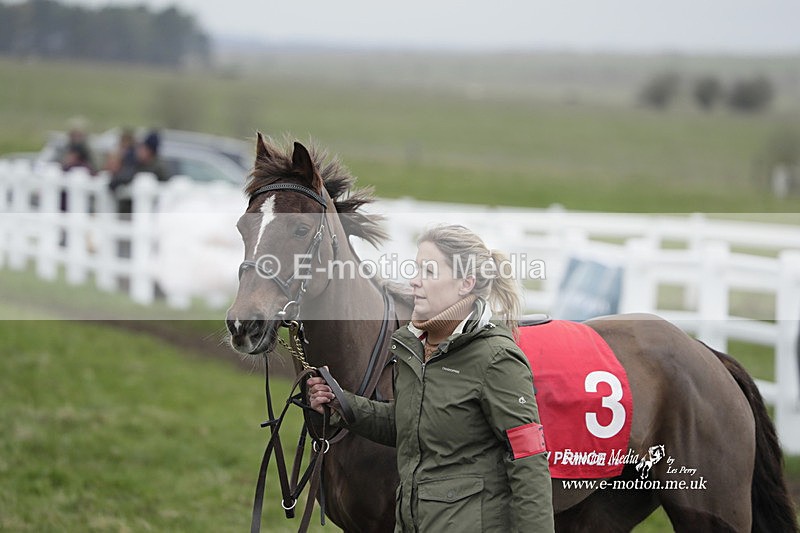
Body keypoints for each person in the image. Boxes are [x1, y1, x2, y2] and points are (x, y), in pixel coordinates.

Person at [307, 224, 554, 532]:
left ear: (466, 283)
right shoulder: (416, 350)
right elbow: (409, 424)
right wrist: (344, 406)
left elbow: (528, 460)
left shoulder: (497, 358)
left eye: (429, 271)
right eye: (416, 269)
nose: (414, 281)